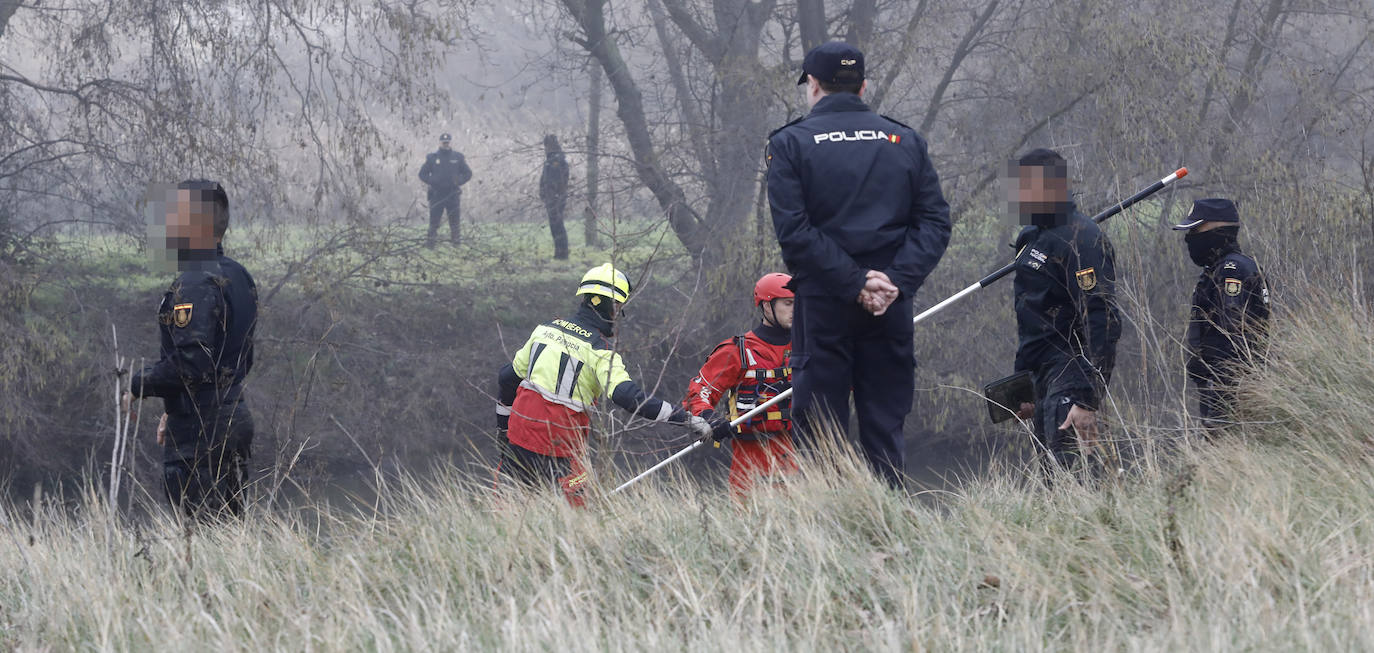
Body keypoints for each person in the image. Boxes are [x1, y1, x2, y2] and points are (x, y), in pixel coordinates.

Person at [766, 41, 951, 488]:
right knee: (885, 422)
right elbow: (935, 223)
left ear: (813, 85)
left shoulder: (790, 143)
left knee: (821, 429)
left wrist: (853, 282)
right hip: (889, 305)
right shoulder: (904, 139)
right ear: (863, 86)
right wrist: (894, 281)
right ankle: (889, 525)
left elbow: (795, 233)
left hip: (825, 304)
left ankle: (830, 532)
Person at [495, 263, 726, 505]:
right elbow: (628, 397)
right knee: (581, 519)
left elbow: (507, 378)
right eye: (619, 307)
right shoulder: (600, 350)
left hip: (517, 445)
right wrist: (690, 420)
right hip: (562, 454)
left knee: (504, 514)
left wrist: (503, 430)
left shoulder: (544, 331)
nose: (619, 314)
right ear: (611, 306)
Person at [124, 180, 258, 520]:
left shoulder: (195, 281)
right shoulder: (238, 276)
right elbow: (234, 358)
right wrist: (175, 406)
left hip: (202, 433)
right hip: (231, 415)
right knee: (228, 536)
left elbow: (191, 364)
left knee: (199, 539)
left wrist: (136, 385)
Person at [1007, 149, 1122, 474]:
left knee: (1073, 480)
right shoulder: (1032, 238)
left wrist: (1088, 398)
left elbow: (1103, 319)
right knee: (1051, 481)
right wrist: (1022, 382)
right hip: (1041, 375)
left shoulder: (1083, 239)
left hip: (1072, 372)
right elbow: (1031, 315)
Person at [683, 273, 798, 498]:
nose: (796, 309)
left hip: (797, 453)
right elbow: (699, 392)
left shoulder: (807, 347)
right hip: (751, 458)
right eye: (788, 303)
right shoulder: (737, 351)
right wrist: (710, 418)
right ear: (767, 306)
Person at [1172, 198, 1270, 429]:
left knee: (1225, 444)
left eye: (1196, 230)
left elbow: (1231, 335)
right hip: (1220, 384)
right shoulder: (1222, 268)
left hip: (1229, 387)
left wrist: (1221, 384)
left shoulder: (1231, 270)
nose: (1190, 238)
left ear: (1219, 230)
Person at [418, 132, 473, 247]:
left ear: (450, 143)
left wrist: (459, 181)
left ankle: (456, 244)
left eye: (447, 142)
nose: (445, 144)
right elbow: (422, 174)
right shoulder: (432, 157)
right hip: (436, 194)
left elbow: (468, 173)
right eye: (444, 142)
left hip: (452, 194)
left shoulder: (458, 157)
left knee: (454, 222)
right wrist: (432, 181)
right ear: (440, 143)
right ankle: (430, 244)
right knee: (434, 222)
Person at [539, 134, 571, 260]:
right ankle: (559, 252)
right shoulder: (551, 160)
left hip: (556, 198)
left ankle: (562, 253)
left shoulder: (557, 161)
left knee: (557, 225)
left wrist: (553, 196)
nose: (545, 149)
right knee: (555, 225)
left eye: (546, 146)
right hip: (551, 198)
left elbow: (556, 181)